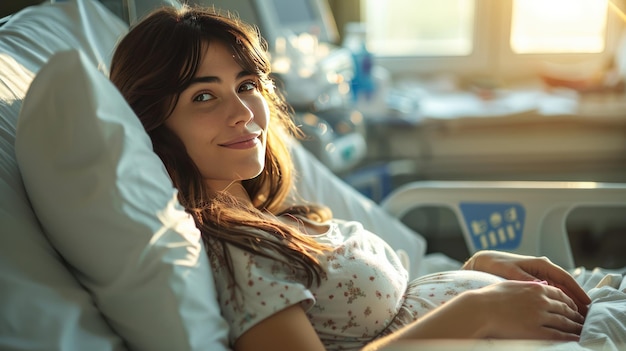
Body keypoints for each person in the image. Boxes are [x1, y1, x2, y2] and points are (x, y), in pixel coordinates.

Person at [109, 5, 591, 351]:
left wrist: (474, 271)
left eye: (246, 86)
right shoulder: (239, 257)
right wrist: (478, 310)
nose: (243, 112)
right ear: (154, 124)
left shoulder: (269, 221)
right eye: (203, 97)